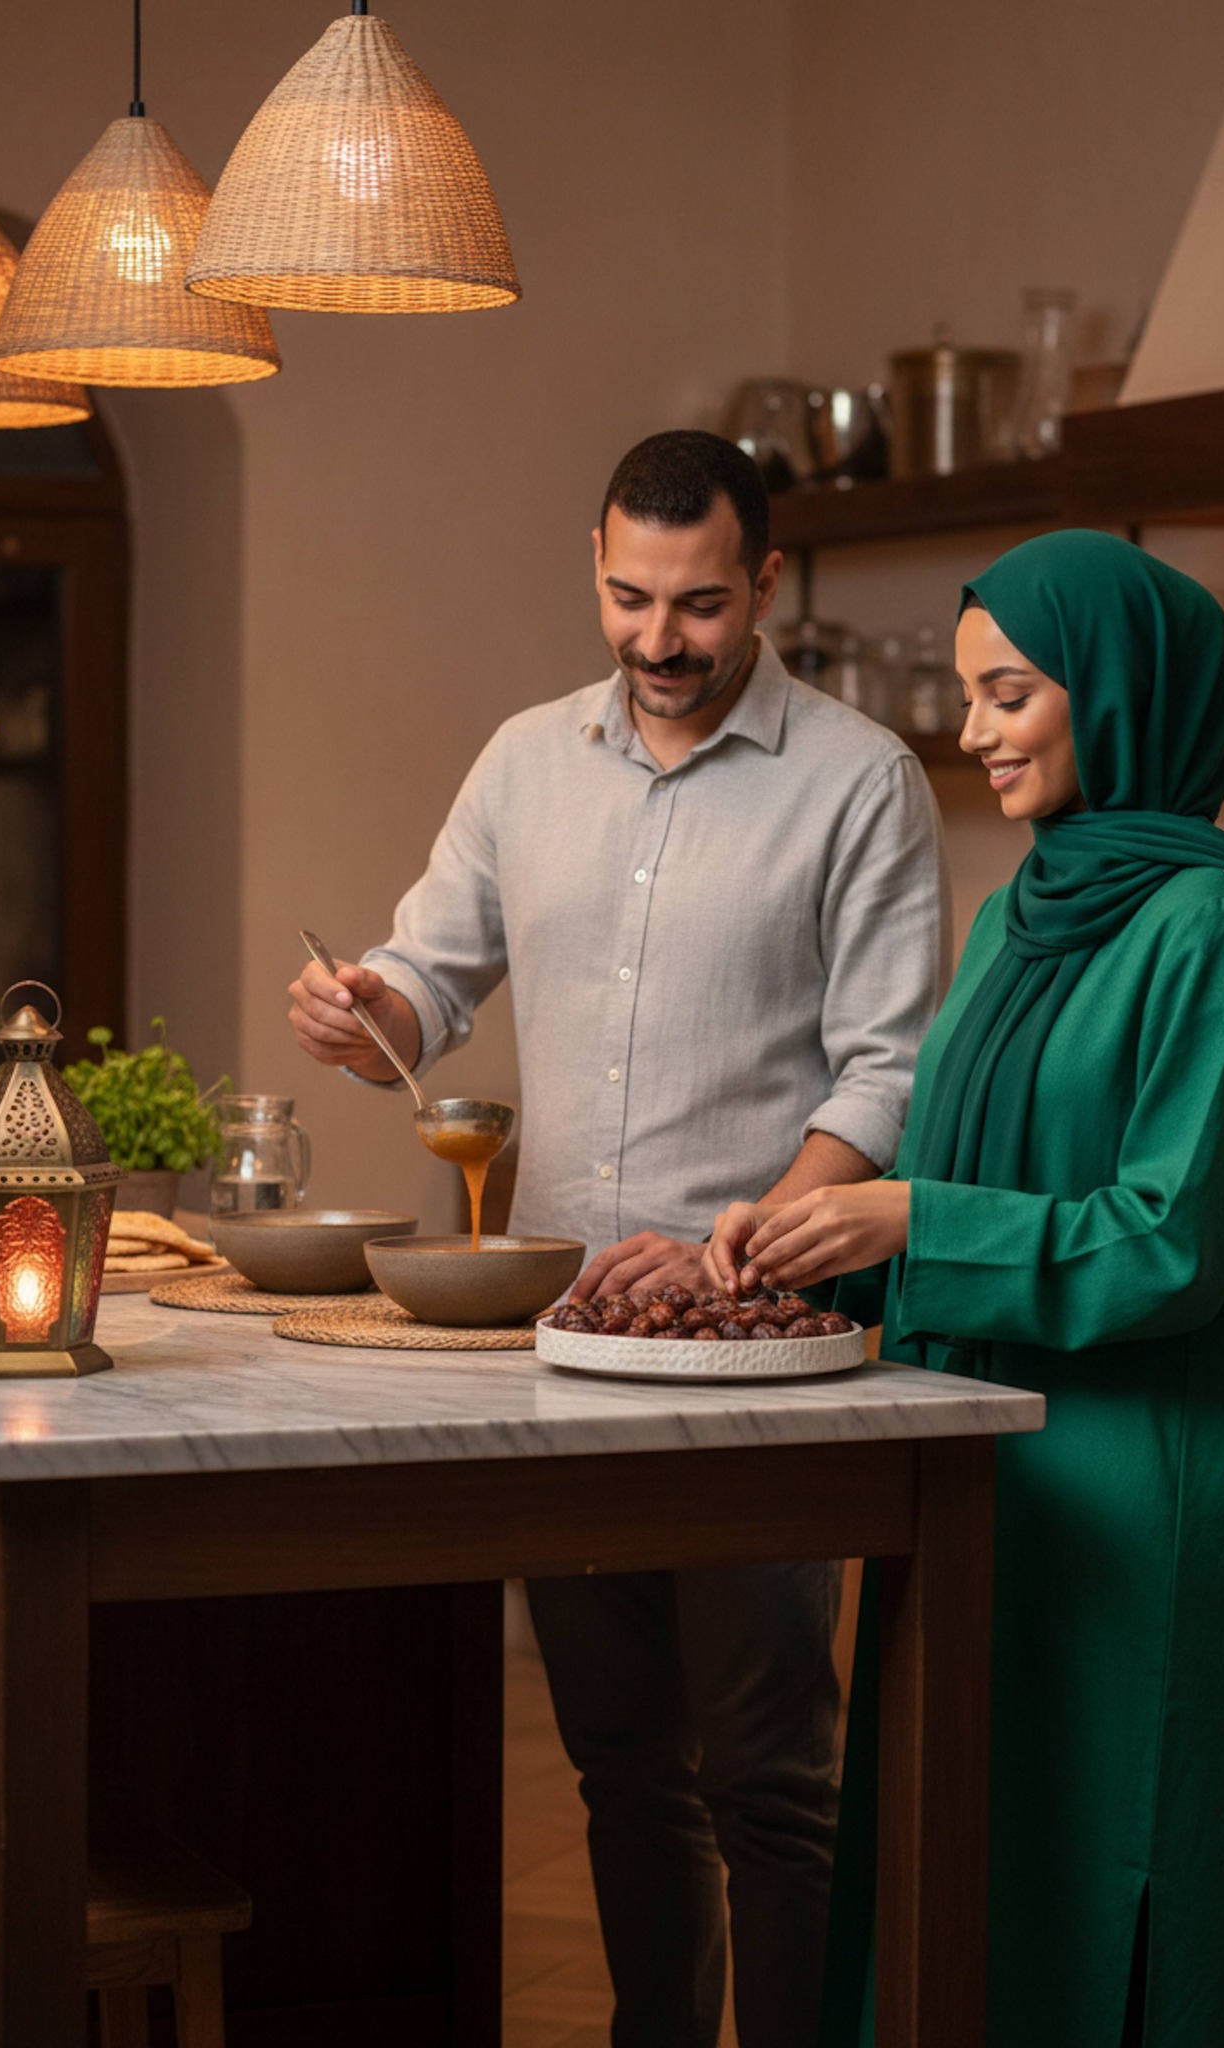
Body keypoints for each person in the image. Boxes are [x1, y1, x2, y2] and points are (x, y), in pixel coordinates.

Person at [288, 429, 951, 2048]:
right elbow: (433, 979)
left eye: (701, 605)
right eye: (629, 596)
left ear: (768, 585)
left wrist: (753, 1244)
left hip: (763, 1360)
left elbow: (890, 1067)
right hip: (563, 1349)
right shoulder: (524, 763)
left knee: (772, 1779)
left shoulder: (860, 782)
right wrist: (366, 1001)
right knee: (623, 1770)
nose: (661, 641)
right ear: (595, 564)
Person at [707, 529, 1224, 2048]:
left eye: (1008, 694)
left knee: (1105, 1873)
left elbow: (1166, 1240)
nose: (971, 729)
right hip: (986, 1478)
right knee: (955, 1852)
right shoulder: (1016, 912)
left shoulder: (1213, 927)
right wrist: (802, 1251)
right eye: (973, 695)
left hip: (1139, 1504)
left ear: (1117, 696)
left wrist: (907, 1218)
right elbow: (941, 1170)